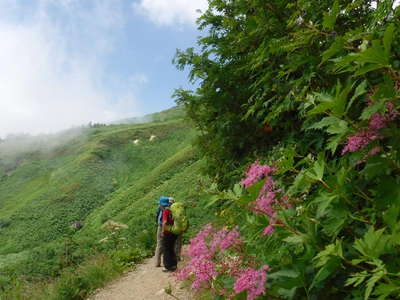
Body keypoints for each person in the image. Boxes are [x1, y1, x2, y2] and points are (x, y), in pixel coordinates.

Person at [161, 199, 178, 272]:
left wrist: (162, 231)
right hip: (174, 231)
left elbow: (164, 222)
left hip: (167, 232)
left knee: (166, 249)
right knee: (171, 248)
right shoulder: (173, 210)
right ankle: (174, 265)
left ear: (163, 205)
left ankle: (167, 266)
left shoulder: (166, 211)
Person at [154, 196, 170, 267]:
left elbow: (163, 221)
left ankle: (158, 262)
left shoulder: (163, 210)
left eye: (160, 204)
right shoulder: (168, 209)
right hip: (168, 228)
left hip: (162, 227)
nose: (159, 205)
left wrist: (162, 231)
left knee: (159, 244)